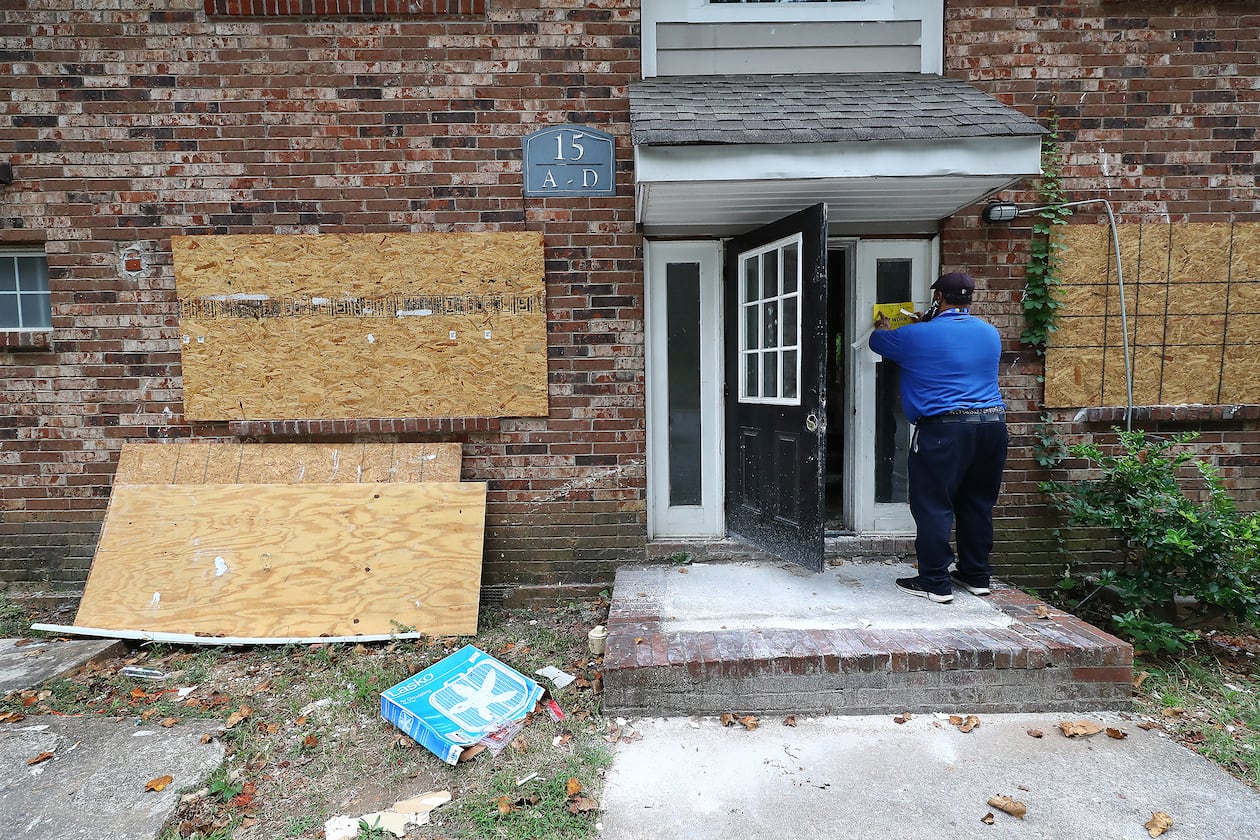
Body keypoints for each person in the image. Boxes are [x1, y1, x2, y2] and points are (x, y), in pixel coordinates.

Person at [867, 271, 1007, 604]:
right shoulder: (990, 334)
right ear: (969, 300)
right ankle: (976, 576)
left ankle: (935, 582)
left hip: (945, 430)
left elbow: (877, 342)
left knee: (933, 505)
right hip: (992, 427)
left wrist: (890, 327)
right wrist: (923, 326)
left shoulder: (917, 335)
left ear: (938, 298)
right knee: (977, 503)